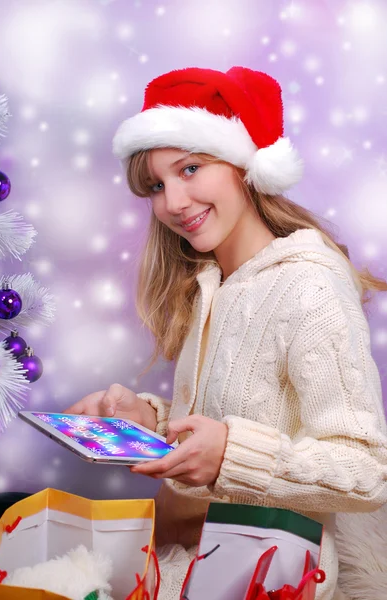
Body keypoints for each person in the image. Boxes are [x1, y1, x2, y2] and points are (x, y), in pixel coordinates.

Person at [64, 66, 387, 600]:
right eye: (157, 185)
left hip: (268, 578)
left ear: (245, 163)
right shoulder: (212, 283)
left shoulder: (309, 286)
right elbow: (238, 415)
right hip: (181, 560)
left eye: (190, 168)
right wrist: (148, 419)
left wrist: (231, 455)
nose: (172, 203)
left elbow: (367, 467)